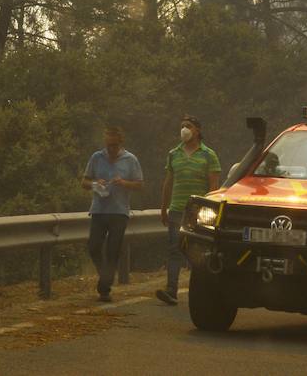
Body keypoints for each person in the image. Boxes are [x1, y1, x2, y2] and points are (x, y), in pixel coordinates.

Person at [155, 115, 220, 306]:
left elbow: (214, 187)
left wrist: (210, 213)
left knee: (197, 252)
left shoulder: (209, 155)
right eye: (182, 126)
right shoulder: (173, 153)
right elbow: (168, 182)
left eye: (188, 126)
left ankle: (205, 290)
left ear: (197, 131)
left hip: (197, 212)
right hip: (176, 209)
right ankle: (171, 290)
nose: (184, 129)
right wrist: (163, 207)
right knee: (174, 249)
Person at [81, 125, 143, 302]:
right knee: (93, 246)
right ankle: (105, 276)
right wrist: (95, 184)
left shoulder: (130, 160)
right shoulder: (97, 157)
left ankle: (105, 288)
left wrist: (123, 182)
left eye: (114, 146)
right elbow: (84, 181)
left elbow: (139, 184)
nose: (111, 149)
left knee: (113, 249)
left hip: (119, 211)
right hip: (99, 210)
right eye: (108, 145)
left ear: (120, 143)